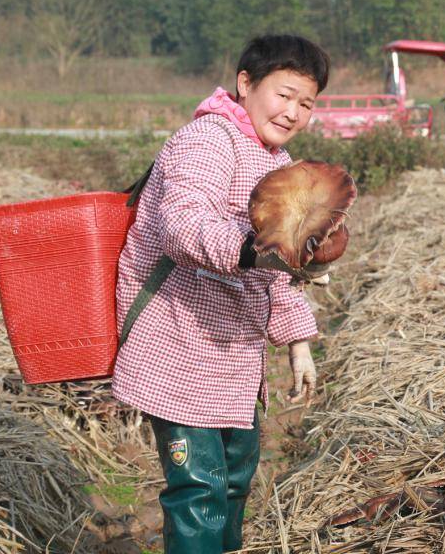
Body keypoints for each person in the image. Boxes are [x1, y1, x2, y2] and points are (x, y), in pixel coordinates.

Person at [111, 34, 331, 553]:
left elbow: (279, 267)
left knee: (234, 480)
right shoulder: (208, 139)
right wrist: (253, 250)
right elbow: (184, 225)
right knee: (198, 489)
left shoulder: (279, 163)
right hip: (177, 342)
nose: (293, 112)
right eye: (284, 94)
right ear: (246, 84)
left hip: (232, 356)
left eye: (307, 103)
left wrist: (298, 344)